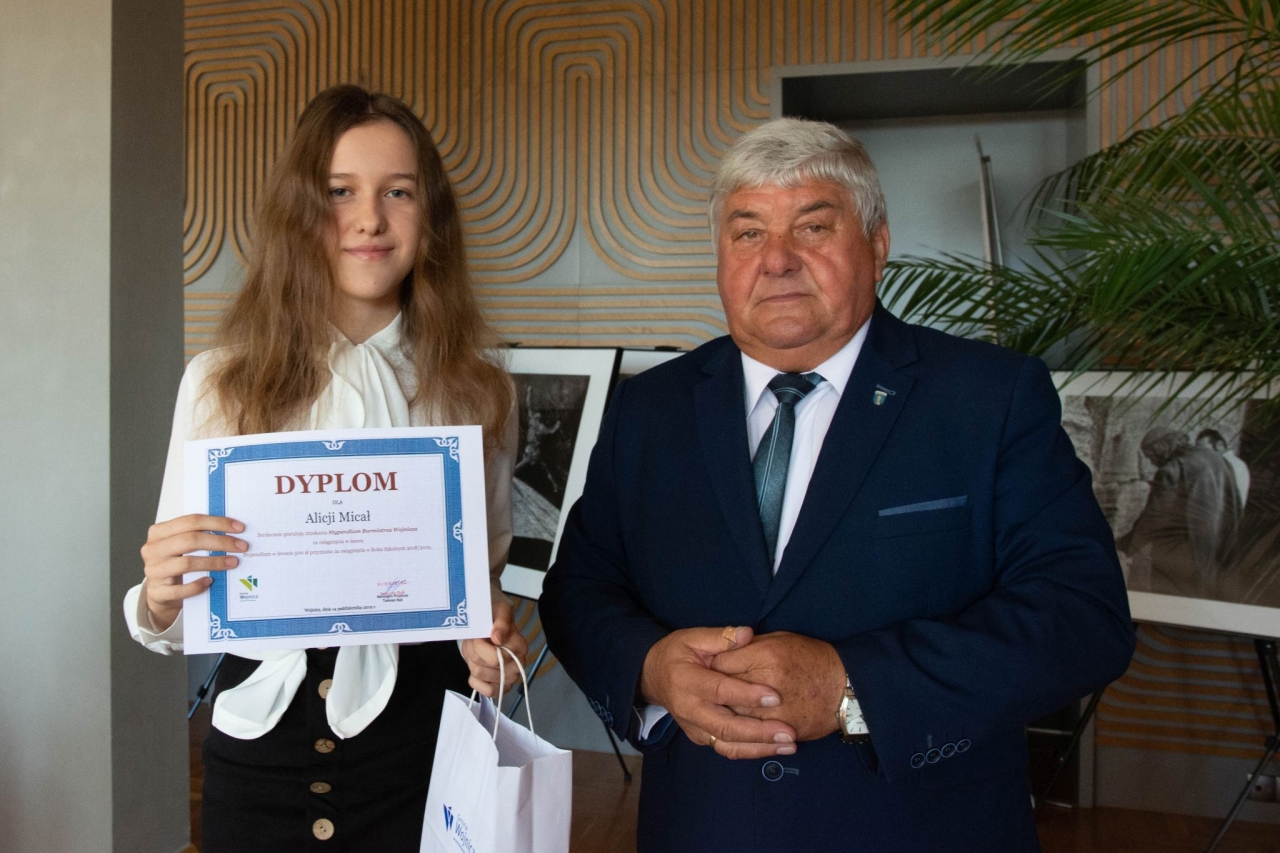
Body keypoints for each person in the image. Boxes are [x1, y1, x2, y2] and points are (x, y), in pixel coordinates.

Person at [539, 118, 1135, 852]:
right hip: (703, 828)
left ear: (877, 243)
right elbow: (579, 588)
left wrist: (853, 689)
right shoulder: (648, 408)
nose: (777, 260)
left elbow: (1082, 616)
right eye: (748, 233)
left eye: (813, 227)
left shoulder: (989, 398)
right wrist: (652, 670)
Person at [123, 85, 527, 852]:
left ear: (432, 215)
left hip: (426, 756)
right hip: (258, 759)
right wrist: (160, 594)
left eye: (398, 191)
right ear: (301, 212)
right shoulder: (219, 381)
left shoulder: (480, 388)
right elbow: (177, 607)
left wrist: (492, 632)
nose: (369, 218)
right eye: (341, 191)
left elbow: (481, 577)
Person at [1121, 427, 1242, 598]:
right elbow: (1235, 502)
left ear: (1161, 448)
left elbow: (1155, 517)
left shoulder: (1173, 469)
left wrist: (1125, 545)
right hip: (1218, 544)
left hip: (1184, 551)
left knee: (1173, 599)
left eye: (1150, 456)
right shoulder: (1217, 459)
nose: (1152, 462)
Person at [1197, 427, 1250, 509]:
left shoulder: (1232, 465)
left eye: (1205, 451)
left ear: (1220, 445)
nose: (1201, 456)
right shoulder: (1232, 463)